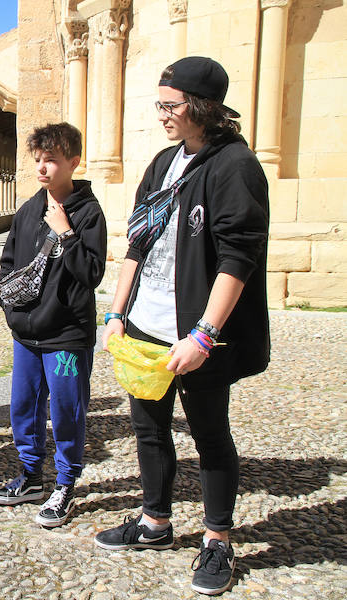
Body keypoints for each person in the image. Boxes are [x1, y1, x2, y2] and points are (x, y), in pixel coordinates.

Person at [95, 57, 270, 596]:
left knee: (210, 434)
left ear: (201, 108)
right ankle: (155, 523)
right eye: (161, 105)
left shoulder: (235, 166)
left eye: (170, 106)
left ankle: (217, 538)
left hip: (196, 333)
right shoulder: (163, 162)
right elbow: (137, 243)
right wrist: (115, 312)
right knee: (148, 428)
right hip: (144, 324)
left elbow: (238, 258)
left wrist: (203, 335)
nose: (162, 116)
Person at [0, 123, 106, 528]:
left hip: (67, 337)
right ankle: (30, 476)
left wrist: (67, 234)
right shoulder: (27, 210)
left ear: (73, 162)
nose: (42, 168)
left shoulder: (89, 213)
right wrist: (11, 308)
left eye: (51, 160)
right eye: (38, 160)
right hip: (27, 334)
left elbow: (92, 274)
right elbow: (8, 263)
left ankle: (66, 483)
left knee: (67, 410)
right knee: (23, 405)